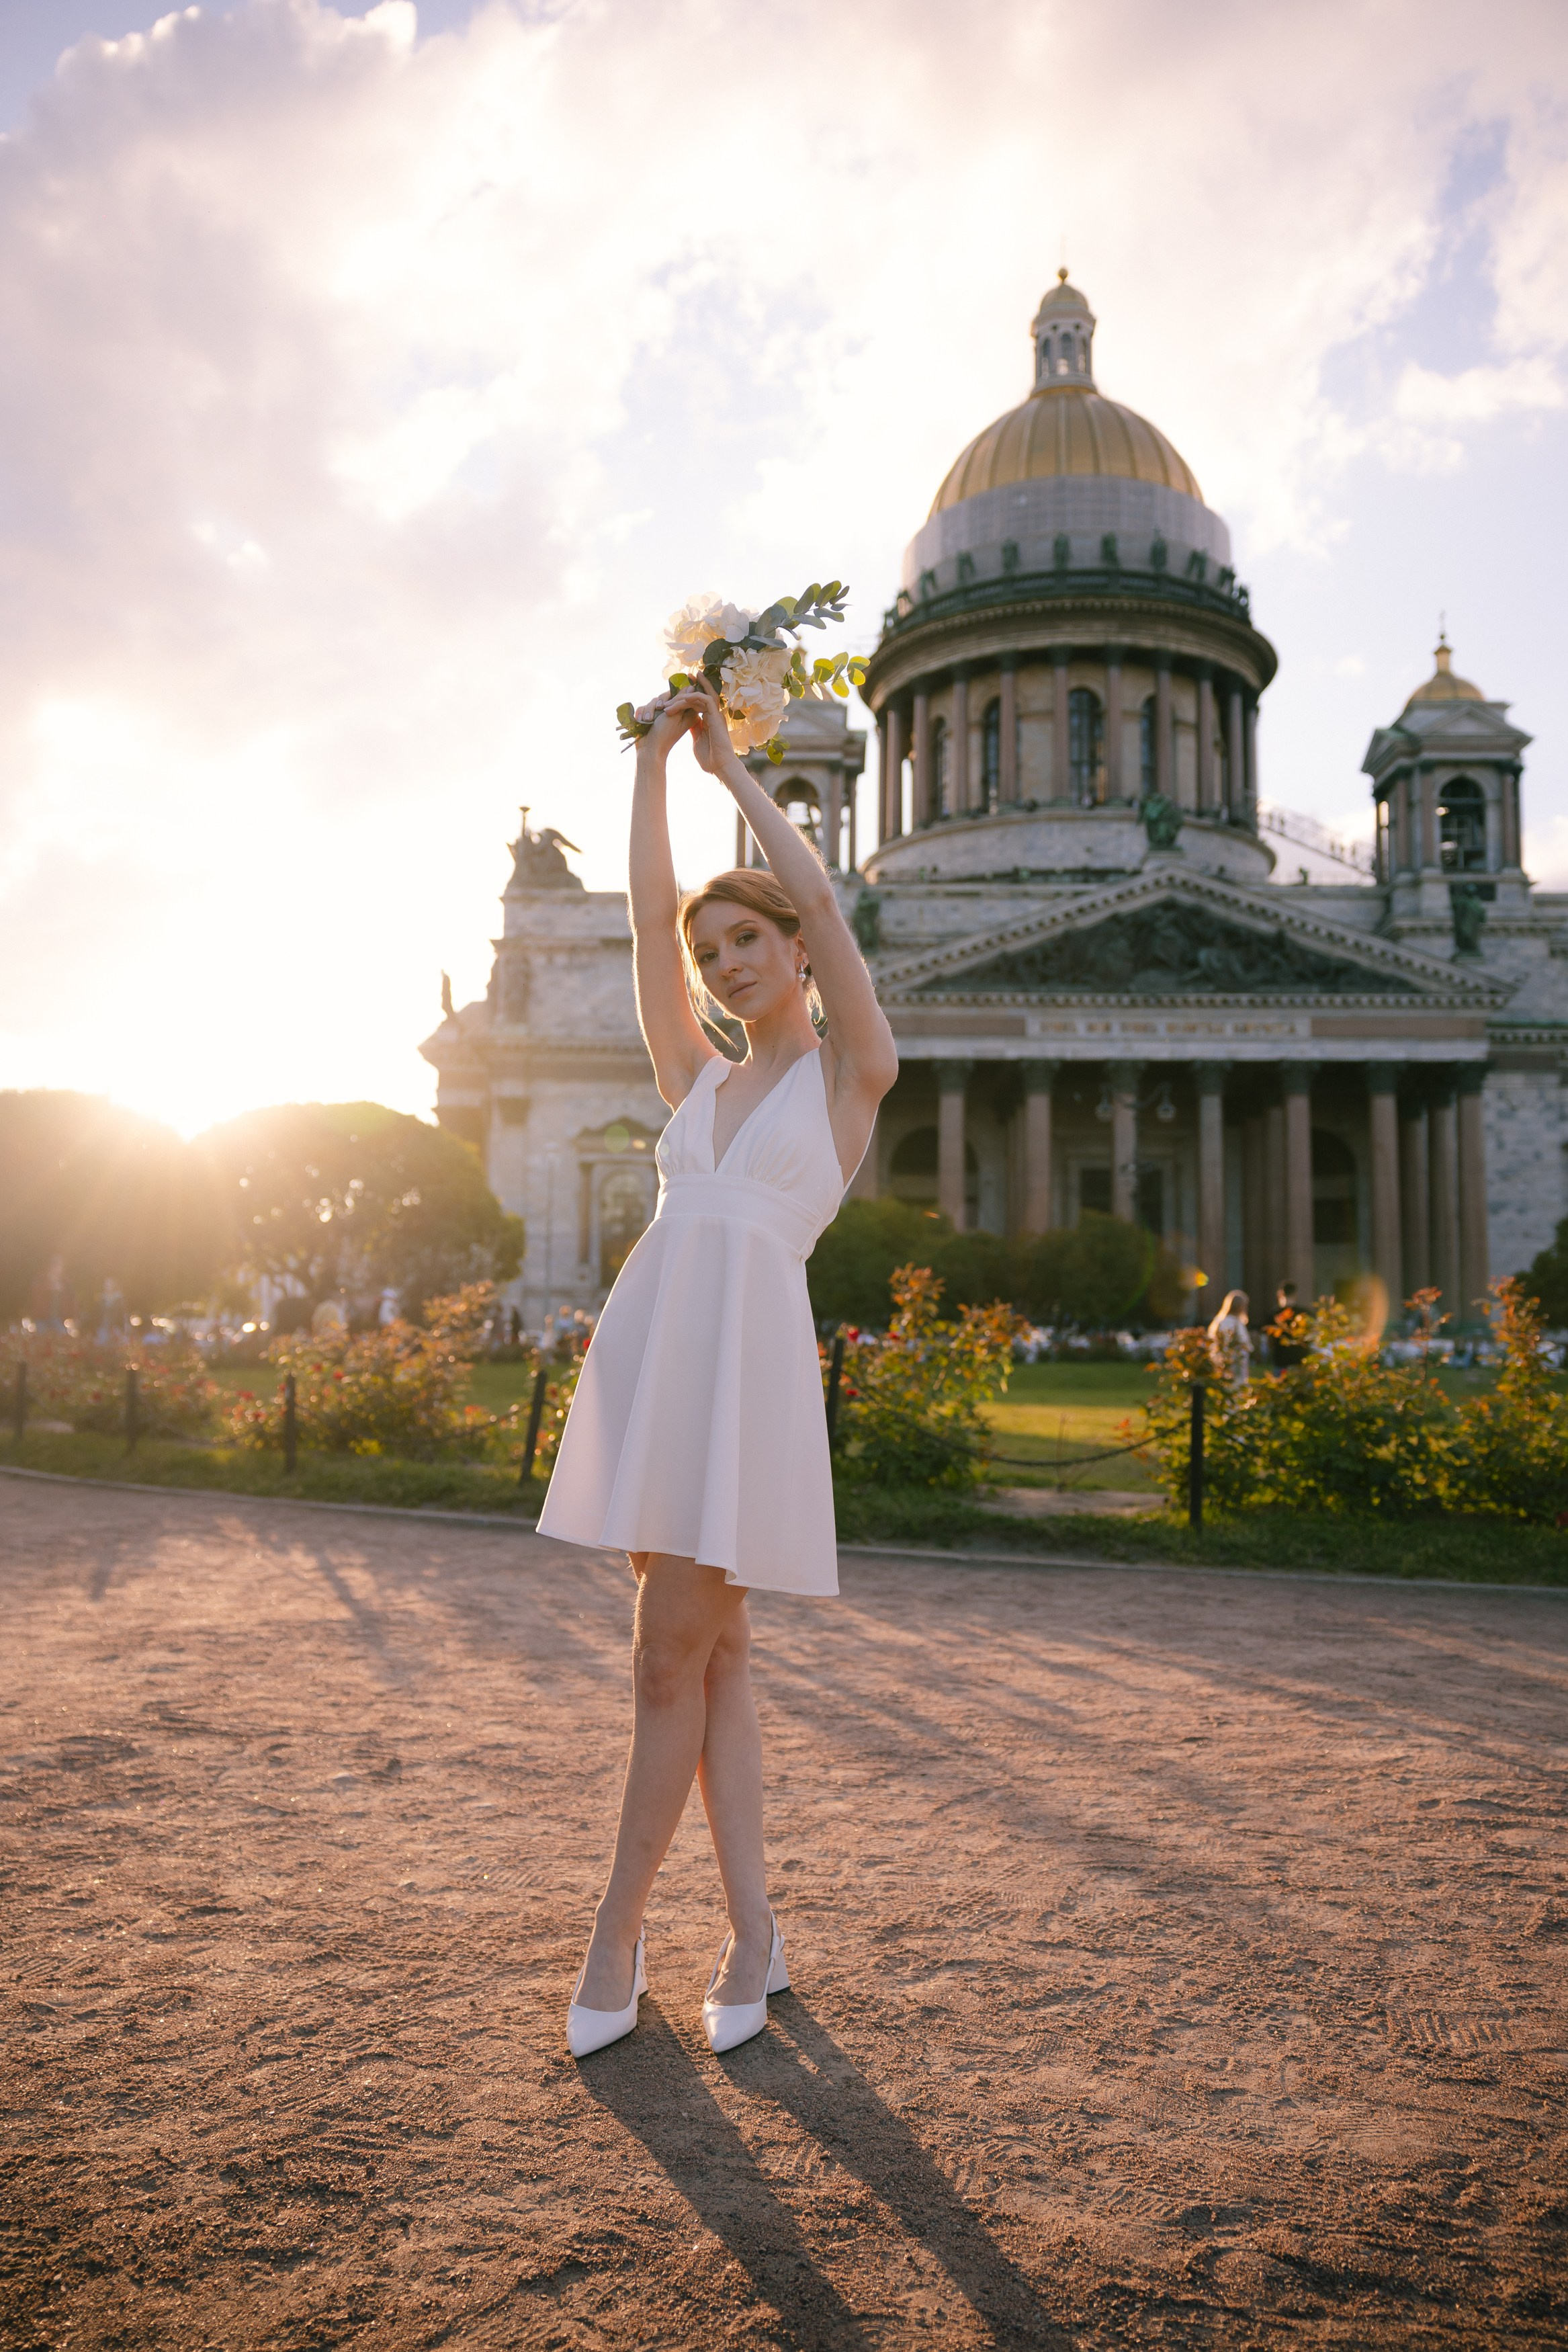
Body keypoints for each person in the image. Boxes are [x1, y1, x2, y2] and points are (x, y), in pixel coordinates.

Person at [538, 674, 898, 2061]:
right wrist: (647, 766)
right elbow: (645, 920)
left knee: (659, 1667)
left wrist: (731, 772)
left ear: (796, 949)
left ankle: (615, 1935)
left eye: (750, 938)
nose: (726, 962)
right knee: (714, 1660)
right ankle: (755, 1933)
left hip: (739, 1381)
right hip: (657, 1360)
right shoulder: (693, 1081)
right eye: (713, 951)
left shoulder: (849, 1077)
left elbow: (825, 903)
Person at [1207, 1288, 1252, 1384]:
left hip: (1224, 1361)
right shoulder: (1234, 1323)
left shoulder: (1220, 1321)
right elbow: (1243, 1343)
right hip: (1235, 1362)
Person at [1270, 1280, 1307, 1369]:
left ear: (1280, 1294)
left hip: (1281, 1360)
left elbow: (1270, 1339)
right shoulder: (1304, 1314)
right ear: (1295, 1294)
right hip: (1301, 1360)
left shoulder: (1275, 1315)